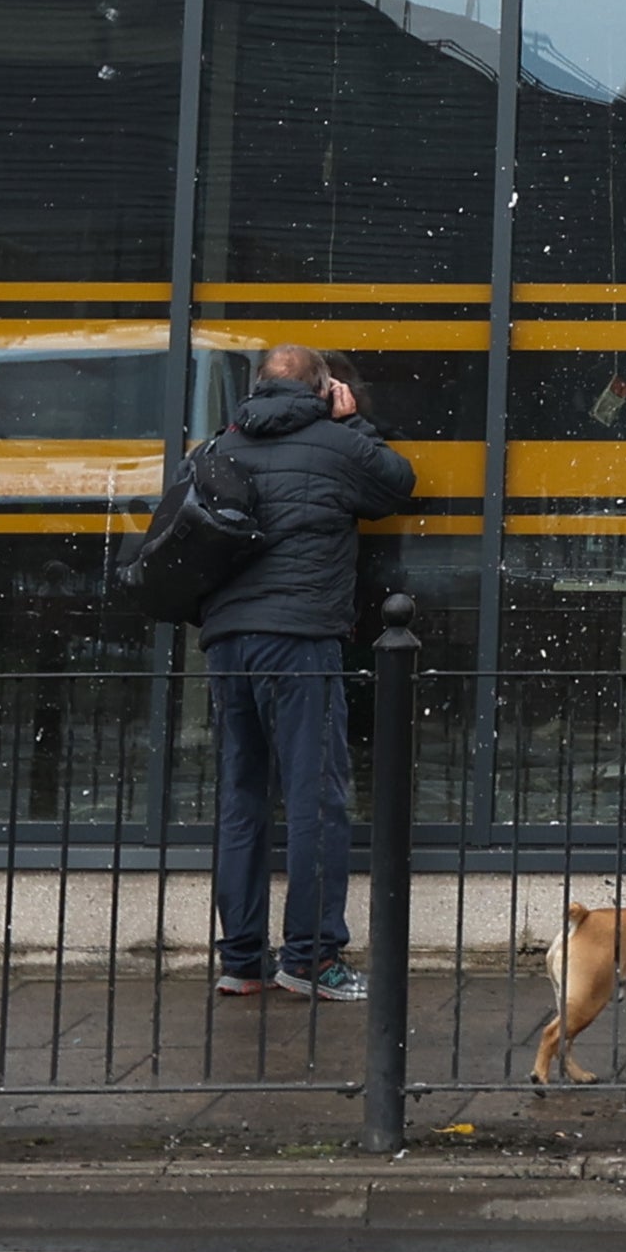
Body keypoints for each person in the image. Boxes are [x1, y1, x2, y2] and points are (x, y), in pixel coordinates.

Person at [195, 342, 415, 1001]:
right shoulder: (336, 443)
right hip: (297, 639)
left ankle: (240, 960)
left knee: (242, 797)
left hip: (227, 640)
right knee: (317, 796)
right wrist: (352, 424)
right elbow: (395, 484)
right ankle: (313, 957)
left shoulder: (218, 446)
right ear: (325, 391)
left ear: (259, 386)